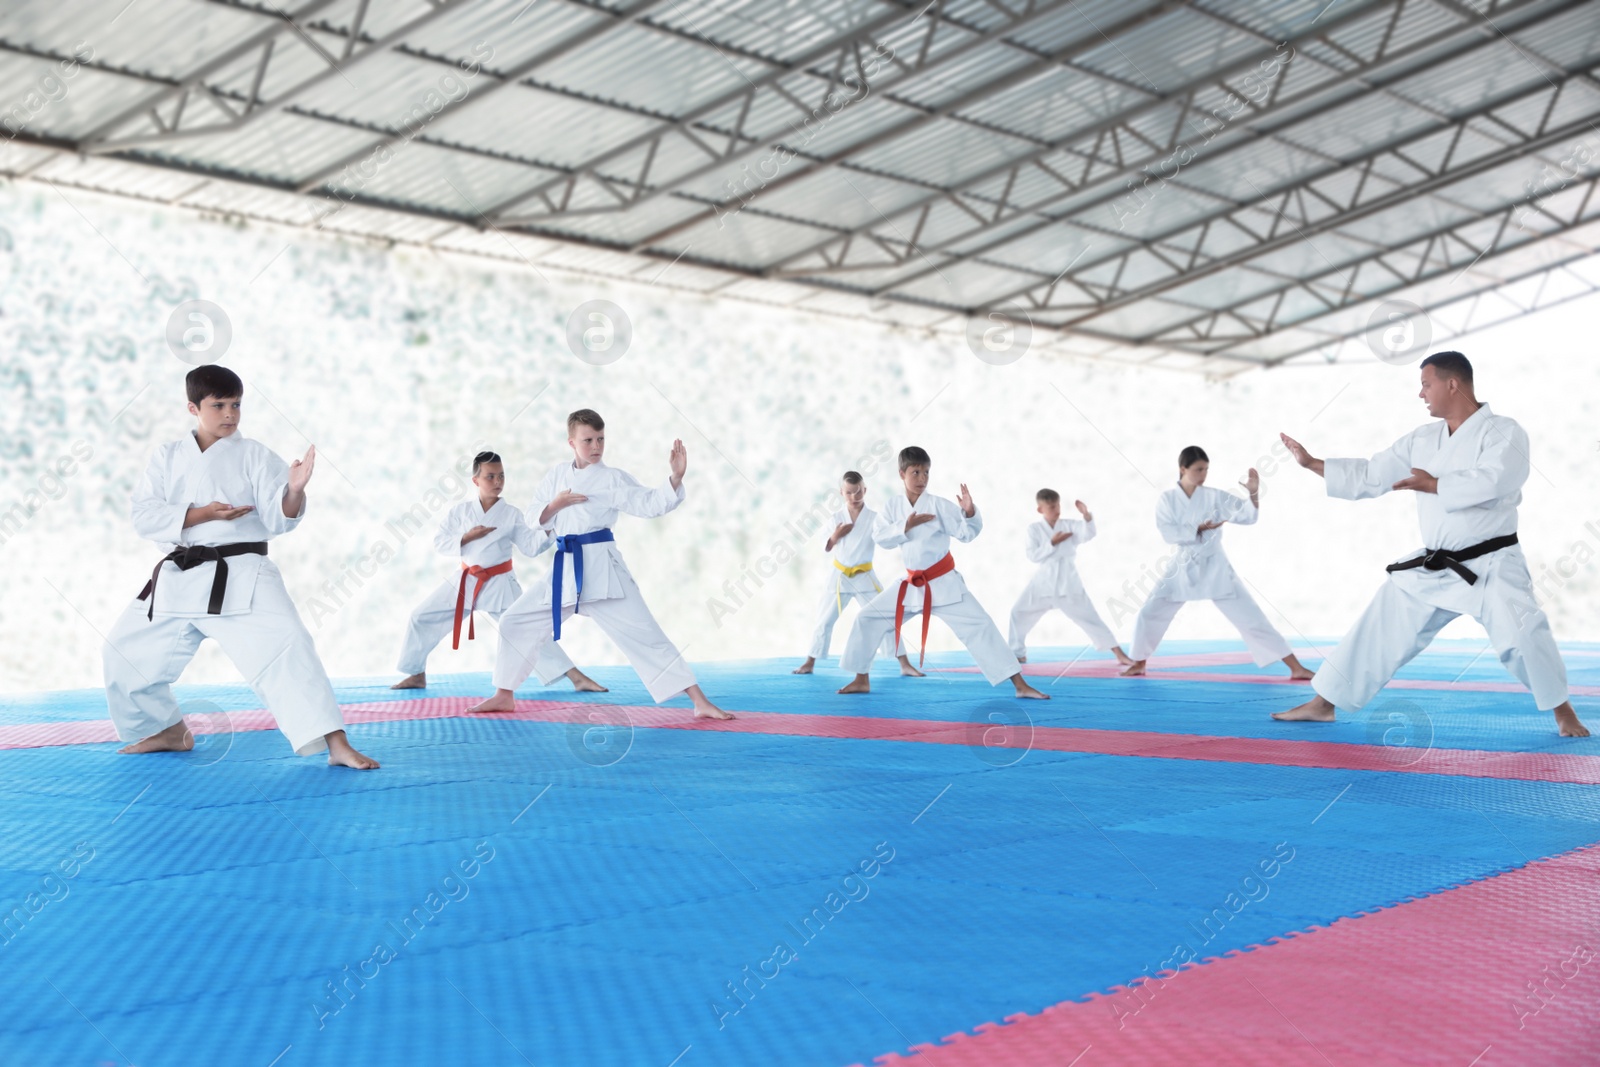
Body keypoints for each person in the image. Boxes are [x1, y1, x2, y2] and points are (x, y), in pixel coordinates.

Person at [1275, 352, 1588, 737]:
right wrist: (1313, 463)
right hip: (1436, 565)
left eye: (1426, 384)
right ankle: (1324, 703)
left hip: (1492, 563)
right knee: (1381, 620)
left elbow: (1495, 481)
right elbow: (1373, 473)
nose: (1420, 393)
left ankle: (1563, 711)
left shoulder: (1504, 432)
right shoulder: (1422, 440)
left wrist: (1435, 485)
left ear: (1452, 384)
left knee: (1522, 636)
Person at [101, 365, 379, 769]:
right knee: (124, 650)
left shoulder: (254, 454)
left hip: (241, 573)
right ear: (193, 407)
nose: (230, 414)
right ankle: (166, 730)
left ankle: (336, 744)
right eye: (219, 405)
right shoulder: (167, 456)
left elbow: (278, 513)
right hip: (181, 574)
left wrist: (295, 492)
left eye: (236, 405)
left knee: (289, 645)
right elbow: (144, 516)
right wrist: (202, 514)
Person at [469, 409, 732, 719]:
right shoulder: (556, 476)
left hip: (603, 570)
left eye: (601, 439)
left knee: (646, 633)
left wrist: (675, 478)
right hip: (565, 569)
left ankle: (700, 701)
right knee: (515, 620)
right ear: (571, 442)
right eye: (588, 440)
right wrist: (557, 504)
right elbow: (531, 518)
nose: (596, 446)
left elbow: (648, 503)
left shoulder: (611, 478)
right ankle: (504, 694)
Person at [836, 446, 1048, 699]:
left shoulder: (938, 505)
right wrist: (906, 525)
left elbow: (966, 533)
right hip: (912, 584)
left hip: (944, 584)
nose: (922, 479)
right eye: (916, 472)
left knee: (981, 625)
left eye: (926, 472)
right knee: (868, 617)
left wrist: (969, 512)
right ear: (902, 473)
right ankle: (861, 679)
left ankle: (1020, 685)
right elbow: (880, 537)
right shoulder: (894, 506)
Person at [391, 451, 605, 693]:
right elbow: (440, 542)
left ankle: (576, 677)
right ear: (476, 481)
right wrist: (466, 537)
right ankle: (416, 673)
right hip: (465, 580)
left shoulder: (512, 514)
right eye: (490, 476)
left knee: (527, 628)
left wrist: (550, 525)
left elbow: (531, 546)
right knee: (421, 616)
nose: (497, 482)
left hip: (500, 583)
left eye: (501, 476)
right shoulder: (460, 512)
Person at [1121, 446, 1314, 680]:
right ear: (1183, 469)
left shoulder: (1215, 496)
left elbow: (1248, 516)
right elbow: (1168, 533)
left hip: (1216, 566)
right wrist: (1198, 528)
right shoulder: (1168, 499)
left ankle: (1296, 668)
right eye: (1198, 469)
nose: (1203, 475)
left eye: (1206, 469)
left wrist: (1253, 494)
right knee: (1149, 612)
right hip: (1182, 565)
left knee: (1251, 617)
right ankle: (1139, 662)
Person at [792, 471, 917, 676]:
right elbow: (826, 546)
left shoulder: (875, 518)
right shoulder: (835, 518)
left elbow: (888, 536)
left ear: (864, 490)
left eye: (858, 492)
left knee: (885, 617)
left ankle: (904, 664)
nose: (854, 497)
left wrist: (905, 527)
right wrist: (835, 536)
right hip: (839, 576)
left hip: (864, 575)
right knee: (824, 620)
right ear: (841, 493)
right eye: (849, 493)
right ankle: (809, 662)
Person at [1007, 489, 1133, 666]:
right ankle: (1017, 653)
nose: (1056, 509)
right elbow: (1033, 556)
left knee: (1090, 618)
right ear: (1040, 509)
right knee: (1018, 612)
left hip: (1068, 581)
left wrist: (1086, 516)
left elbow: (1088, 534)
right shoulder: (1034, 529)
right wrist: (1052, 543)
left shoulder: (1069, 525)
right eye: (1051, 507)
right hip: (1043, 582)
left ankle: (1119, 654)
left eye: (1057, 505)